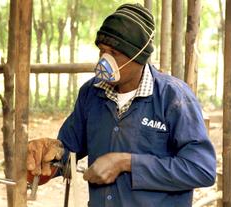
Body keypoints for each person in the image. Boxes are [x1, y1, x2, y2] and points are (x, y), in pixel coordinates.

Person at [27, 3, 216, 207]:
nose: (104, 60)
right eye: (102, 51)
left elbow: (201, 170)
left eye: (114, 53)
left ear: (138, 56)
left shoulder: (174, 98)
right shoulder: (92, 93)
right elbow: (66, 153)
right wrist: (47, 153)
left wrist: (126, 163)